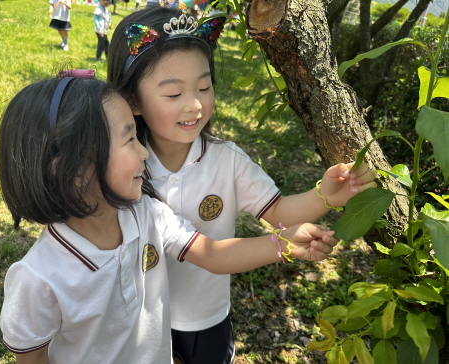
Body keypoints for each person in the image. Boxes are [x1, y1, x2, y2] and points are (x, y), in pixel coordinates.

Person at [0, 73, 339, 364]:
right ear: (73, 169)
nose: (144, 151)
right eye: (130, 138)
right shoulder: (37, 279)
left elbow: (214, 254)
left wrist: (280, 243)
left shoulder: (149, 214)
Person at [107, 7, 377, 364]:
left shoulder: (226, 160)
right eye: (173, 95)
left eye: (204, 86)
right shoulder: (124, 165)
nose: (195, 104)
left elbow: (279, 212)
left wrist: (325, 196)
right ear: (133, 101)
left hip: (207, 318)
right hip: (141, 320)